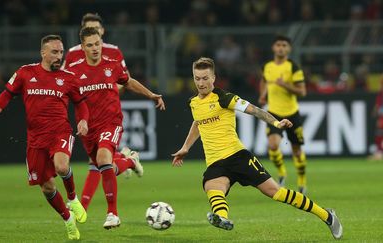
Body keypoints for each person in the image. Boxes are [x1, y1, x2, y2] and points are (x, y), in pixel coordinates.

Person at [172, 57, 342, 239]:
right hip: (216, 163)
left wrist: (276, 123)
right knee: (212, 186)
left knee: (276, 193)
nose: (201, 83)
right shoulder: (194, 103)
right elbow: (198, 123)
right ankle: (222, 218)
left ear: (213, 78)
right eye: (197, 78)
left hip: (238, 157)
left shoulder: (224, 98)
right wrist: (186, 147)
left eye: (205, 78)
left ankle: (326, 215)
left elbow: (255, 110)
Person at [0, 35, 88, 240]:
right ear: (43, 53)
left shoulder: (68, 77)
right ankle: (68, 219)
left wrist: (83, 120)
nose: (58, 56)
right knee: (47, 187)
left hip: (60, 131)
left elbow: (81, 103)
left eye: (61, 52)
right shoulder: (26, 73)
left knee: (62, 167)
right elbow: (8, 92)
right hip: (36, 139)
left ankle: (73, 198)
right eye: (54, 52)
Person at [68, 27, 165, 229]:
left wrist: (151, 95)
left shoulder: (112, 66)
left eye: (98, 44)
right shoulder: (74, 71)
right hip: (88, 130)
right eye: (90, 45)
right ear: (82, 47)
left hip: (111, 123)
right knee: (105, 167)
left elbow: (128, 83)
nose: (95, 48)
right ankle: (129, 161)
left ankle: (113, 213)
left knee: (103, 160)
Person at [64, 12, 147, 212]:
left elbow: (123, 81)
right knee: (100, 161)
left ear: (102, 31)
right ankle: (128, 159)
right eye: (91, 28)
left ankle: (86, 207)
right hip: (86, 115)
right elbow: (69, 85)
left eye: (98, 29)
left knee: (99, 160)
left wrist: (102, 88)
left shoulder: (113, 52)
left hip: (107, 112)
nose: (96, 34)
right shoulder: (73, 54)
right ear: (82, 35)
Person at [258, 35, 308, 193]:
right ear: (273, 47)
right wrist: (262, 94)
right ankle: (281, 173)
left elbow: (302, 91)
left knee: (297, 151)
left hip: (292, 113)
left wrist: (284, 85)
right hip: (273, 113)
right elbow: (264, 81)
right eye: (278, 44)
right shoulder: (267, 66)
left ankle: (301, 182)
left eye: (284, 45)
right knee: (273, 146)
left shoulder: (293, 67)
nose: (281, 48)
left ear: (289, 49)